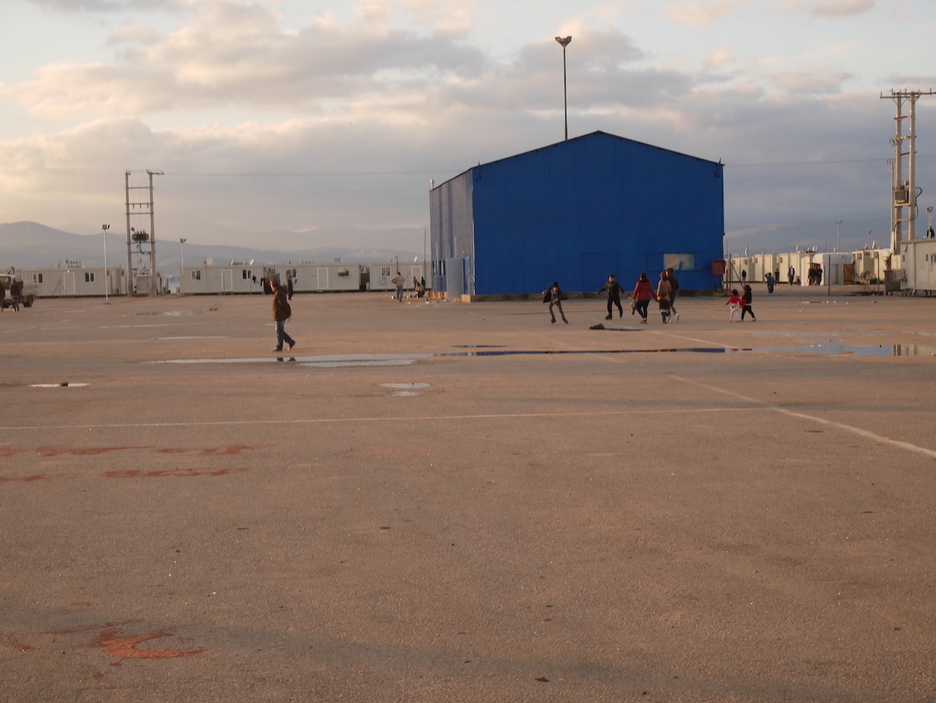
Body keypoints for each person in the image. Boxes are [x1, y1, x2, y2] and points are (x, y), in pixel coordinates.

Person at [269, 278, 295, 352]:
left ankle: (279, 346)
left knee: (279, 331)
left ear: (273, 285)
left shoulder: (278, 292)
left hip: (279, 314)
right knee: (280, 331)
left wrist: (288, 312)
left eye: (271, 285)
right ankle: (290, 342)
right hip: (279, 314)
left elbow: (283, 304)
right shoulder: (278, 291)